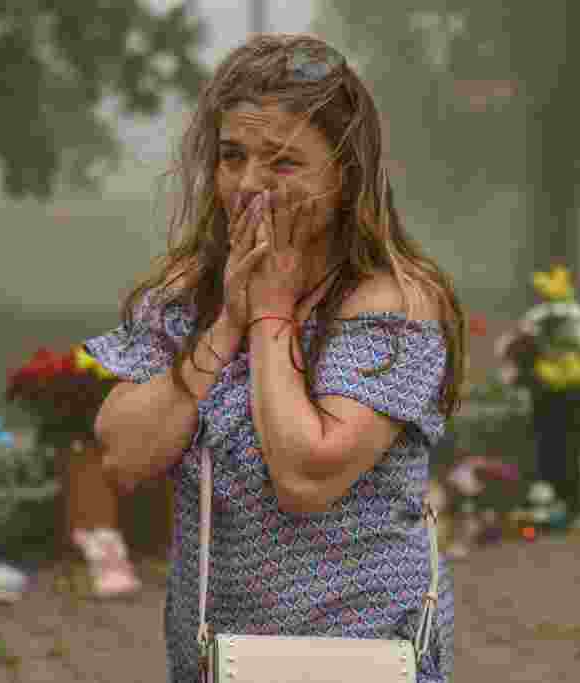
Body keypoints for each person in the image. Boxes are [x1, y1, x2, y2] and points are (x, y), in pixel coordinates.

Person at [83, 34, 464, 682]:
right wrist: (227, 321)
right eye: (233, 157)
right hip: (220, 657)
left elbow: (306, 474)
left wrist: (271, 313)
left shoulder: (392, 304)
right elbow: (123, 453)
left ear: (344, 175)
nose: (249, 185)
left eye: (284, 163)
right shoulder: (188, 294)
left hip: (364, 656)